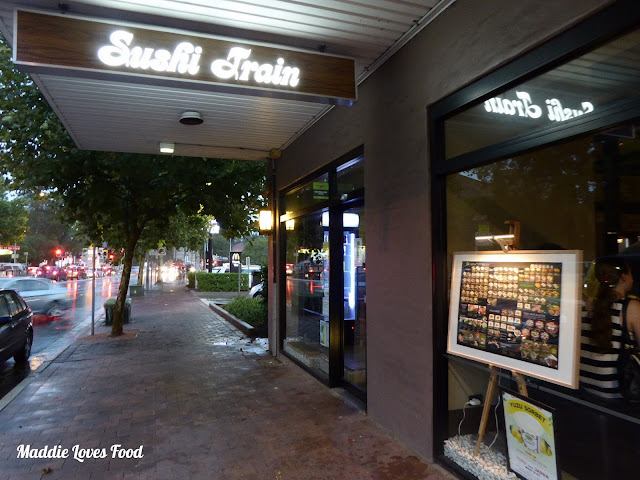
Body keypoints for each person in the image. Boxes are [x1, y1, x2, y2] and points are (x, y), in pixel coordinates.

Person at [580, 257, 640, 400]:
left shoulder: (586, 305)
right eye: (631, 274)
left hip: (586, 389)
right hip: (619, 393)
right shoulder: (631, 307)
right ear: (624, 277)